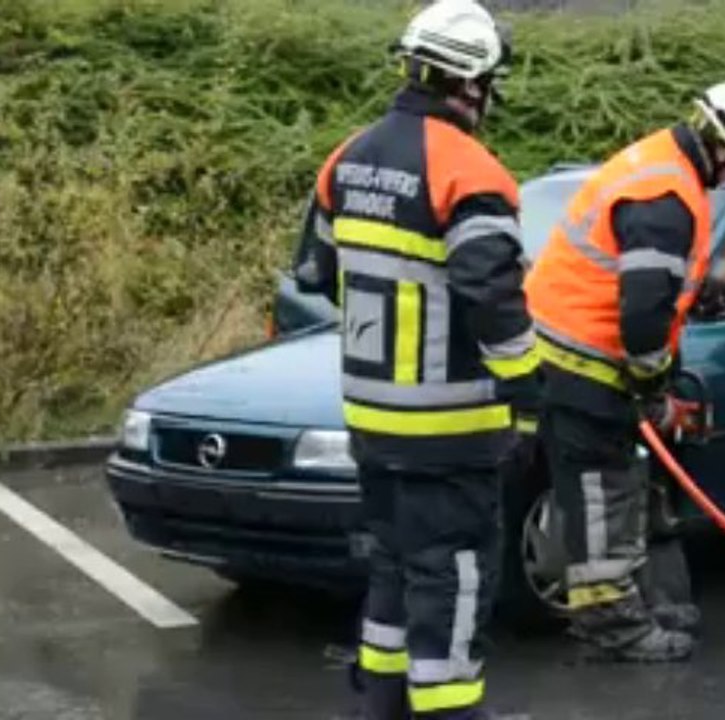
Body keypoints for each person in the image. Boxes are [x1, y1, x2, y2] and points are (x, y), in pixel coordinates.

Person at [294, 2, 538, 718]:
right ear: (471, 83)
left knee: (394, 571)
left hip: (371, 420)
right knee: (453, 581)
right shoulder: (469, 172)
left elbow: (316, 272)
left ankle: (380, 706)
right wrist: (529, 387)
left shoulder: (347, 159)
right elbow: (491, 294)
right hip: (449, 430)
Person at [523, 79, 725, 661]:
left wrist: (699, 293)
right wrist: (651, 388)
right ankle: (612, 630)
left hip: (567, 356)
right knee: (602, 497)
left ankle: (635, 608)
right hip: (586, 369)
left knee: (614, 492)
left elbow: (646, 280)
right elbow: (642, 316)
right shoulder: (666, 197)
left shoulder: (659, 164)